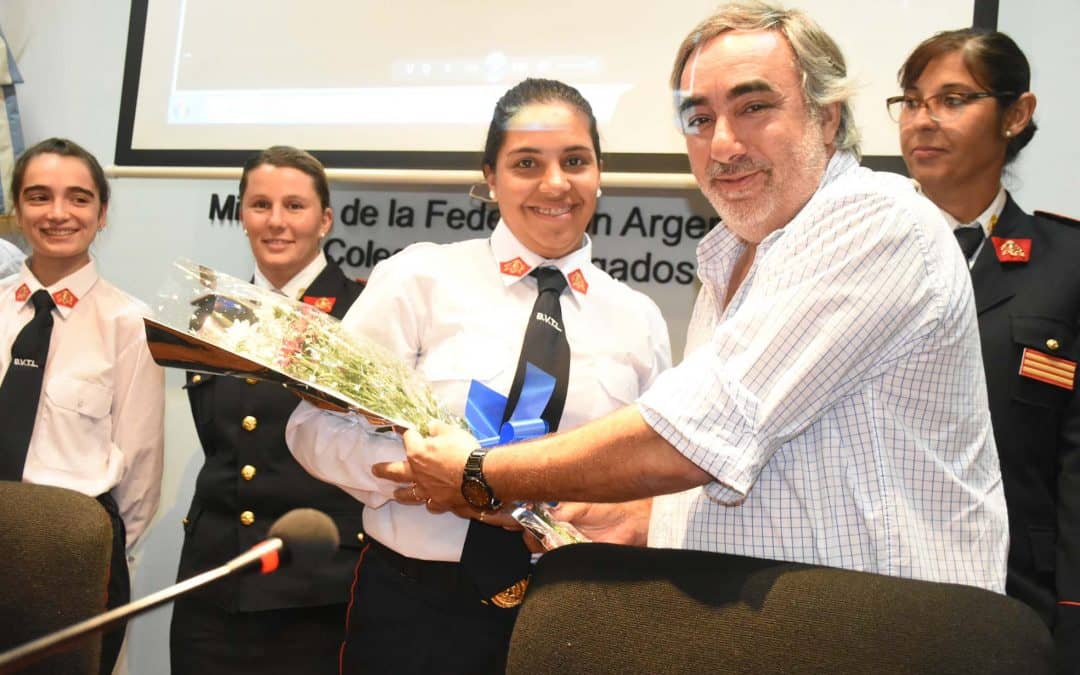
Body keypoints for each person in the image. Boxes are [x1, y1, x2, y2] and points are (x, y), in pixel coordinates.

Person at [385, 0, 1010, 594]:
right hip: (789, 626)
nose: (724, 145)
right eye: (700, 118)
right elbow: (756, 464)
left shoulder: (875, 223)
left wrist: (482, 473)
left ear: (828, 117)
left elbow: (693, 436)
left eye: (754, 107)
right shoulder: (732, 252)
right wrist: (647, 521)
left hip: (890, 633)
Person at [286, 78, 671, 673]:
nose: (555, 184)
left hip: (578, 610)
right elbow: (313, 426)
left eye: (575, 161)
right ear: (490, 177)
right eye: (526, 163)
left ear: (599, 172)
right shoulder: (419, 280)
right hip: (418, 610)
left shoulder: (639, 320)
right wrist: (414, 473)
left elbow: (657, 469)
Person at [893, 29, 1080, 670]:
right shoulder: (858, 252)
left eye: (952, 99)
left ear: (1016, 114)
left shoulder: (1067, 264)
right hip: (871, 573)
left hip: (1015, 591)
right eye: (912, 101)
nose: (923, 121)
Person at [169, 146, 366, 675]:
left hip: (317, 590)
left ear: (325, 219)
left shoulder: (362, 314)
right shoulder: (212, 313)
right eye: (260, 205)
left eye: (295, 206)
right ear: (241, 215)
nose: (276, 222)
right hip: (213, 584)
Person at [0, 137, 164, 674]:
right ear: (16, 209)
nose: (58, 213)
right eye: (39, 196)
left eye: (78, 198)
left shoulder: (130, 326)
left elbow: (139, 472)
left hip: (68, 563)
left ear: (102, 213)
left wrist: (93, 552)